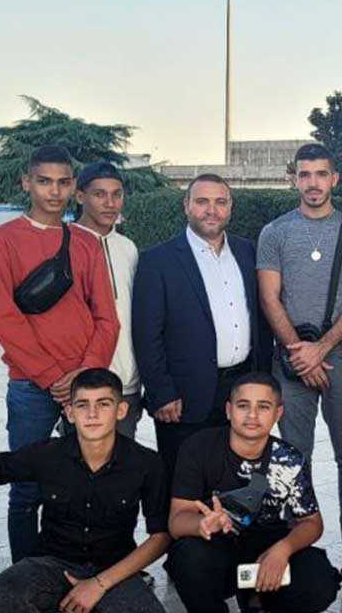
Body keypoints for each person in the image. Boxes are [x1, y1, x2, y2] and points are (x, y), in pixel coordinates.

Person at [0, 369, 169, 613]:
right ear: (70, 413)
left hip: (113, 570)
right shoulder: (49, 453)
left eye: (103, 404)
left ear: (121, 410)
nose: (92, 414)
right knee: (0, 598)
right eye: (82, 405)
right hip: (52, 564)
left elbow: (160, 537)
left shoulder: (146, 463)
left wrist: (99, 584)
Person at [0, 144, 119, 561]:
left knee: (87, 483)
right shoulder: (2, 241)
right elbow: (4, 320)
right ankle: (26, 575)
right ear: (27, 182)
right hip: (30, 385)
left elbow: (107, 319)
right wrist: (51, 377)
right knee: (26, 488)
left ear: (73, 186)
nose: (54, 192)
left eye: (62, 182)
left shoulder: (86, 244)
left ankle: (81, 568)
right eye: (44, 181)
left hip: (84, 387)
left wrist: (84, 376)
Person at [258, 143, 342, 533]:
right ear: (294, 179)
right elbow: (269, 297)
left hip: (341, 356)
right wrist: (299, 354)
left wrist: (320, 349)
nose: (313, 183)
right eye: (305, 174)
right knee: (294, 456)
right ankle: (297, 542)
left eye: (321, 174)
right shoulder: (274, 232)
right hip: (290, 358)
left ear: (334, 179)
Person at [166, 370, 340, 613]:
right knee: (188, 559)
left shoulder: (289, 458)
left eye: (264, 407)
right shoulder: (198, 448)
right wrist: (202, 524)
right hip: (218, 551)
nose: (252, 415)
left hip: (268, 550)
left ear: (278, 413)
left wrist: (283, 550)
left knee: (319, 579)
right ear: (228, 410)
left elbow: (312, 523)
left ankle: (259, 600)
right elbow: (176, 521)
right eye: (243, 405)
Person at [133, 173, 268, 485]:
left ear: (230, 207)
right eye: (202, 202)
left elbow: (260, 320)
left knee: (237, 485)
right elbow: (146, 334)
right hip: (183, 398)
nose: (212, 210)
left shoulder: (248, 252)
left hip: (240, 390)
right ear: (186, 205)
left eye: (220, 202)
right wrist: (161, 393)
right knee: (183, 484)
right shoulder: (158, 260)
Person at [73, 161, 143, 438]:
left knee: (122, 459)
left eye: (117, 194)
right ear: (80, 196)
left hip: (127, 384)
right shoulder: (65, 244)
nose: (110, 203)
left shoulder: (128, 248)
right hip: (83, 382)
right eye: (99, 194)